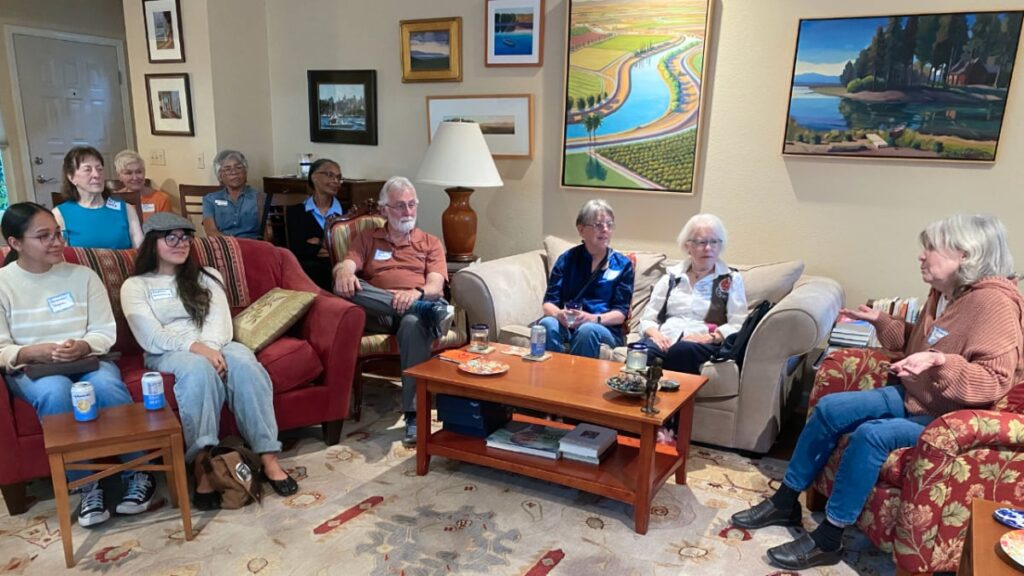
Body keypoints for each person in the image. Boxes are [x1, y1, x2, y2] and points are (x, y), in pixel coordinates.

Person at [731, 213, 1024, 571]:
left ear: (966, 255)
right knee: (830, 409)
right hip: (914, 396)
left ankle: (829, 537)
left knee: (871, 436)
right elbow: (923, 343)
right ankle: (785, 500)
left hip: (947, 418)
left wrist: (939, 363)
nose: (922, 255)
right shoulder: (946, 294)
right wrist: (882, 322)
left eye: (931, 248)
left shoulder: (994, 305)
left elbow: (994, 379)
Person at [120, 212, 298, 510]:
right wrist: (197, 349)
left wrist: (211, 348)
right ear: (153, 243)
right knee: (198, 370)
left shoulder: (208, 276)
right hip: (168, 351)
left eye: (185, 237)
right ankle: (202, 465)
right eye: (171, 237)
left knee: (246, 364)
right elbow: (149, 336)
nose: (181, 243)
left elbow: (221, 323)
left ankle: (268, 457)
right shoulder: (136, 286)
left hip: (218, 343)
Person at [0, 202, 155, 527]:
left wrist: (83, 345)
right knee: (56, 393)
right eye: (44, 236)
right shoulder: (4, 284)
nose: (57, 242)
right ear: (15, 243)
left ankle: (138, 472)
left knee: (107, 387)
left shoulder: (82, 275)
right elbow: (2, 347)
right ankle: (86, 484)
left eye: (58, 234)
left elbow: (104, 331)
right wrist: (30, 353)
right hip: (33, 367)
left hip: (85, 358)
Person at [332, 176, 453, 448]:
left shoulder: (430, 242)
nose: (408, 212)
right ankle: (425, 310)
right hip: (382, 312)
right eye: (400, 206)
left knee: (413, 323)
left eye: (412, 205)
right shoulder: (367, 238)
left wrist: (416, 295)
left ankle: (413, 415)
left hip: (417, 307)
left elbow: (435, 284)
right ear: (385, 209)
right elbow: (348, 265)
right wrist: (342, 272)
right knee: (348, 286)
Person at [637, 213, 747, 443]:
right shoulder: (671, 277)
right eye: (700, 242)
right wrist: (655, 334)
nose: (708, 248)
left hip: (703, 342)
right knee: (640, 354)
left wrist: (712, 337)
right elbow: (648, 318)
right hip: (665, 337)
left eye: (714, 242)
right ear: (688, 246)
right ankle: (635, 423)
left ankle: (669, 426)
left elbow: (738, 322)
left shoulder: (730, 280)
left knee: (682, 351)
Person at [539, 199, 634, 358]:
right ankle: (551, 378)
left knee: (587, 329)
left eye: (609, 225)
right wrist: (558, 315)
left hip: (602, 327)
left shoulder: (622, 265)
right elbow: (549, 303)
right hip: (567, 323)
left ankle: (578, 381)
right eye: (598, 225)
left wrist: (592, 318)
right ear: (581, 229)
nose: (605, 230)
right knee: (547, 324)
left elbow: (620, 313)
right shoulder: (567, 259)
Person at [52, 146, 144, 248]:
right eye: (87, 170)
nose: (96, 174)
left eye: (99, 169)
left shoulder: (126, 209)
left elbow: (140, 253)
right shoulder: (59, 214)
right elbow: (61, 257)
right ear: (71, 177)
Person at [285, 158, 344, 290]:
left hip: (339, 267)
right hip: (309, 270)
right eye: (330, 175)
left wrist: (317, 242)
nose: (336, 181)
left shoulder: (347, 212)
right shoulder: (296, 212)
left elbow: (347, 247)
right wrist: (328, 245)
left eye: (339, 177)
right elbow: (297, 248)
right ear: (314, 177)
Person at [202, 150, 263, 239]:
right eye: (227, 169)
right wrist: (233, 244)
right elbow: (211, 231)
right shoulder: (210, 199)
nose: (234, 172)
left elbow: (266, 231)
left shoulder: (259, 197)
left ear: (245, 172)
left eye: (238, 167)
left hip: (252, 245)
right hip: (224, 245)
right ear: (220, 175)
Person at [113, 149, 175, 221]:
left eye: (139, 172)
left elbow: (166, 229)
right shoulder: (115, 200)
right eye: (129, 173)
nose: (135, 177)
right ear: (119, 176)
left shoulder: (161, 199)